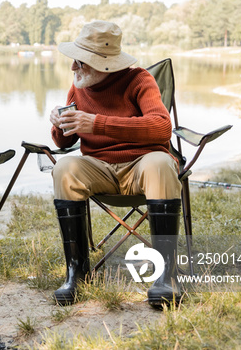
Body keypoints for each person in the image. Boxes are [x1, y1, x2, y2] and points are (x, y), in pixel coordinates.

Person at [49, 21, 182, 308]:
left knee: (160, 162)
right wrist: (59, 123)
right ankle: (77, 274)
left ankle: (166, 276)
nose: (73, 68)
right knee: (64, 168)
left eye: (81, 62)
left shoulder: (139, 80)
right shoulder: (78, 86)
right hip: (99, 169)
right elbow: (62, 143)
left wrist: (98, 123)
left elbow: (161, 128)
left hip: (141, 167)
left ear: (104, 64)